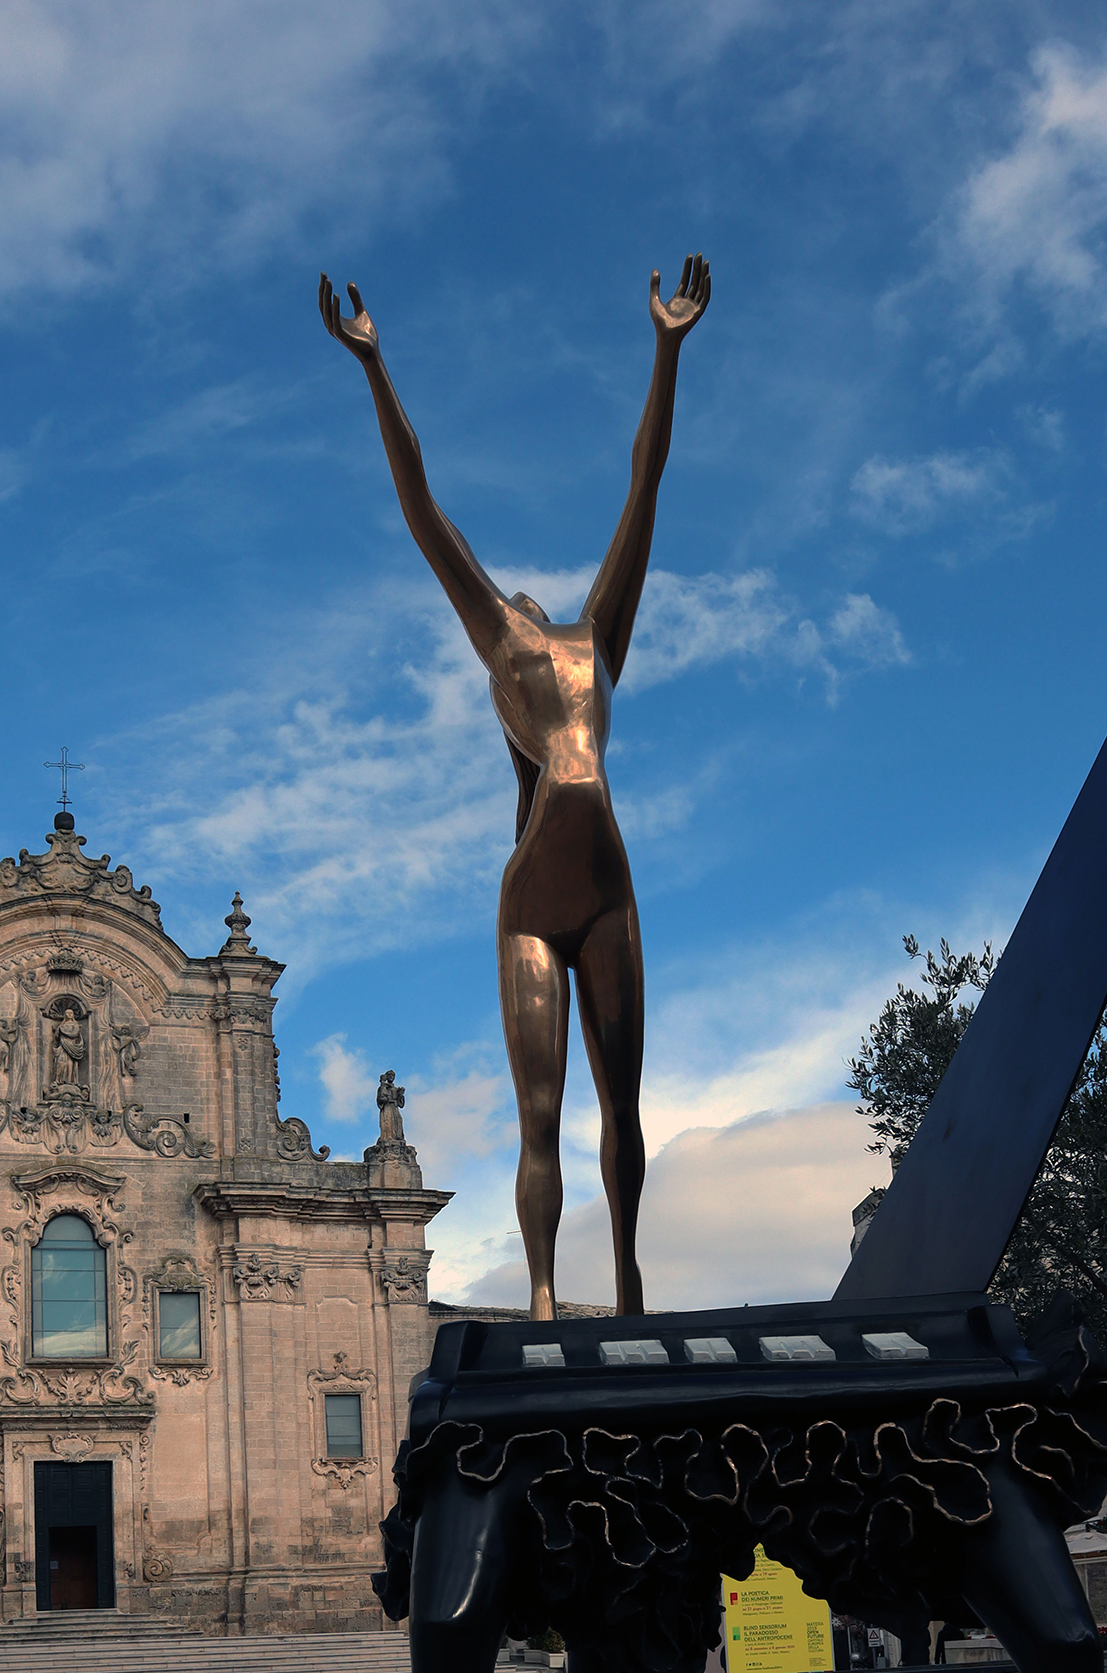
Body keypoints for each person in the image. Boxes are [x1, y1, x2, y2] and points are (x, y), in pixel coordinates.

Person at [320, 255, 711, 1319]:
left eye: (529, 597)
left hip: (602, 872)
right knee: (543, 1111)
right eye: (511, 599)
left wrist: (667, 350)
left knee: (620, 1105)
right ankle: (541, 1297)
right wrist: (373, 368)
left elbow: (647, 484)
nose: (522, 594)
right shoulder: (506, 643)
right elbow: (423, 507)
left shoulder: (596, 639)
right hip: (543, 881)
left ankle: (626, 1281)